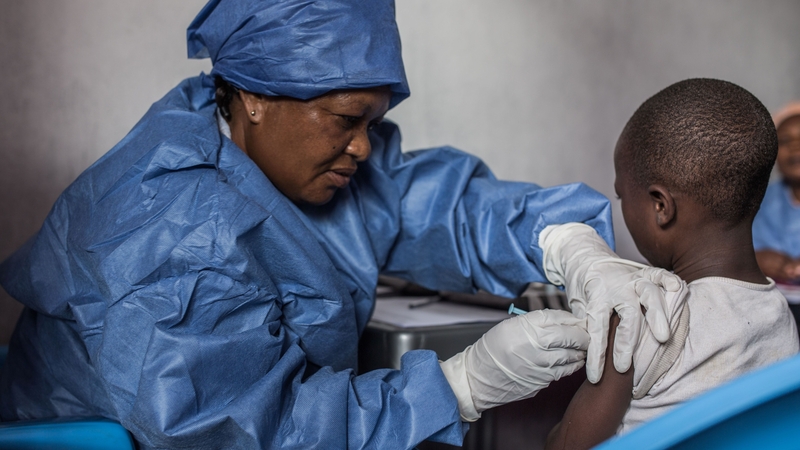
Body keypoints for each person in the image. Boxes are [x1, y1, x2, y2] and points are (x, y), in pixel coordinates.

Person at [0, 0, 680, 448]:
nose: (363, 147)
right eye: (346, 119)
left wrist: (566, 242)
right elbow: (246, 434)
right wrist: (459, 386)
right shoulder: (173, 231)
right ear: (257, 98)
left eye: (374, 123)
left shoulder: (281, 147)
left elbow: (440, 206)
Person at [545, 78, 800, 450]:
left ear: (660, 207)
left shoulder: (643, 317)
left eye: (621, 196)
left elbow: (565, 446)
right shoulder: (779, 316)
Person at [752, 102, 800, 331]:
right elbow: (743, 246)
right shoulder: (762, 200)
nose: (795, 148)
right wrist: (759, 259)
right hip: (773, 306)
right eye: (785, 141)